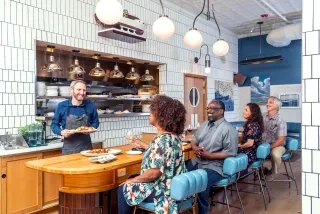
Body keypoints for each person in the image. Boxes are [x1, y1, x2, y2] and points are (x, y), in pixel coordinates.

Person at [117, 95, 187, 214]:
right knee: (131, 179)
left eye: (153, 110)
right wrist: (141, 143)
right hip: (173, 187)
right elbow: (161, 153)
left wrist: (132, 181)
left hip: (163, 192)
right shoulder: (173, 137)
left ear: (162, 116)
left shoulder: (161, 140)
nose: (150, 113)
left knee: (122, 189)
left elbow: (154, 173)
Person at [186, 100, 238, 214]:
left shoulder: (229, 129)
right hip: (198, 161)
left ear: (221, 111)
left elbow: (231, 153)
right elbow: (194, 140)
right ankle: (184, 207)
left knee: (200, 181)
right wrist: (194, 147)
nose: (209, 111)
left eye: (212, 109)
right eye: (208, 108)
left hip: (215, 166)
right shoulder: (204, 125)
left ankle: (202, 211)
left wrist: (209, 156)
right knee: (179, 173)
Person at [51, 80, 99, 155]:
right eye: (79, 89)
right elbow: (54, 125)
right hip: (68, 150)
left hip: (87, 150)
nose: (82, 93)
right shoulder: (62, 106)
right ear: (71, 90)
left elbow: (95, 122)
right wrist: (61, 132)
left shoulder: (90, 105)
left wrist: (91, 128)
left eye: (84, 90)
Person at [262, 96, 287, 181]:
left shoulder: (280, 121)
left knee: (275, 154)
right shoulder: (262, 116)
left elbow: (280, 140)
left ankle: (272, 171)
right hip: (264, 144)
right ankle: (260, 170)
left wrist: (269, 148)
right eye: (267, 102)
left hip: (278, 145)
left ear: (277, 106)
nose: (267, 104)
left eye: (270, 102)